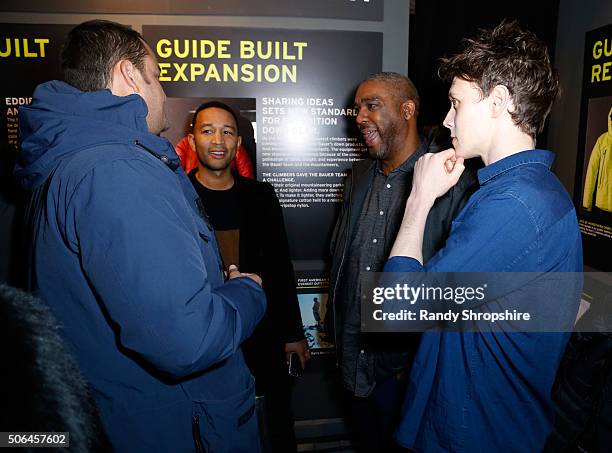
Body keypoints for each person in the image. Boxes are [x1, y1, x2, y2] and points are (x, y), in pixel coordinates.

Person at [15, 20, 266, 452]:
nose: (163, 93)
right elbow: (187, 340)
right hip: (178, 427)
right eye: (158, 76)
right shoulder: (117, 170)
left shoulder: (75, 158)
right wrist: (248, 293)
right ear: (130, 74)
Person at [385, 21, 583, 452]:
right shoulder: (520, 192)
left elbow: (398, 307)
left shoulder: (516, 205)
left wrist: (418, 199)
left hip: (477, 433)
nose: (446, 117)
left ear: (498, 102)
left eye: (456, 104)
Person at [326, 72, 477, 452]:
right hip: (352, 361)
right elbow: (343, 255)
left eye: (371, 105)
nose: (359, 116)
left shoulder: (453, 181)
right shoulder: (357, 178)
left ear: (407, 109)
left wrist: (421, 359)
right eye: (357, 108)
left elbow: (461, 288)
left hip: (406, 373)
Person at [186, 101, 309, 453]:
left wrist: (293, 334)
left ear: (239, 143)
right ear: (192, 140)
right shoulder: (177, 197)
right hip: (206, 334)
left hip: (263, 333)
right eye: (207, 130)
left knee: (275, 428)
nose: (218, 140)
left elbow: (280, 269)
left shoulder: (260, 196)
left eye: (227, 131)